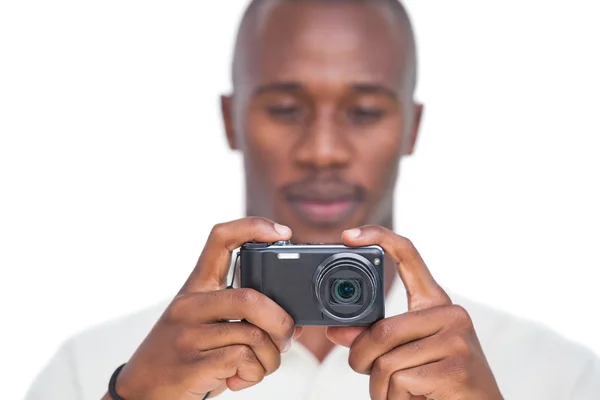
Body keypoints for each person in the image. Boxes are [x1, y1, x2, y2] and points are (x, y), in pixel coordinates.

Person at [25, 0, 600, 399]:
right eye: (284, 109)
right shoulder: (97, 369)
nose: (323, 151)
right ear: (231, 120)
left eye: (366, 112)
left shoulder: (558, 376)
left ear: (411, 128)